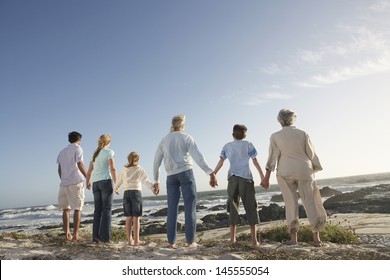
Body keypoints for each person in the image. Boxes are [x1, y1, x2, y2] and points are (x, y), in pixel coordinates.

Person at [261, 109, 327, 247]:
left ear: (279, 120)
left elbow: (272, 158)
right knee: (310, 202)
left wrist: (266, 178)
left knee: (290, 204)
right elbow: (311, 153)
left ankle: (293, 239)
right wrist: (316, 166)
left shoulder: (275, 136)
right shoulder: (303, 133)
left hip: (285, 172)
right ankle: (316, 239)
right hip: (304, 170)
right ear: (293, 119)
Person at [153, 114, 218, 248]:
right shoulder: (187, 137)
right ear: (182, 125)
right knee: (190, 207)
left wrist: (156, 180)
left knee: (172, 209)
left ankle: (171, 243)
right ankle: (190, 241)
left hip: (170, 177)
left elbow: (156, 162)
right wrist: (209, 172)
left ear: (173, 125)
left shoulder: (164, 140)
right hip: (186, 173)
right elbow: (198, 157)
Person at [213, 124, 266, 247]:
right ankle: (254, 241)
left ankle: (232, 239)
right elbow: (255, 161)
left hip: (232, 179)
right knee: (251, 207)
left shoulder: (227, 146)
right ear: (245, 135)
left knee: (233, 207)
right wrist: (263, 177)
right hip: (246, 178)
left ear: (233, 135)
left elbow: (221, 161)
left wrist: (214, 174)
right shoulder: (248, 144)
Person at [115, 151, 159, 246]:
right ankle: (136, 241)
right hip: (136, 193)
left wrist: (116, 188)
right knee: (136, 217)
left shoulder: (124, 169)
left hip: (126, 193)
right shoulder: (139, 169)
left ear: (128, 159)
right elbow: (145, 180)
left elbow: (119, 179)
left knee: (128, 217)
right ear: (137, 159)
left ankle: (129, 241)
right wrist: (153, 188)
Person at [56, 131, 87, 241]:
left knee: (66, 209)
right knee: (77, 208)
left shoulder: (62, 152)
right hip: (75, 181)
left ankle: (67, 234)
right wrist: (88, 177)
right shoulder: (78, 148)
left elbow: (59, 169)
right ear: (79, 140)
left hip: (64, 184)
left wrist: (64, 179)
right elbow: (80, 163)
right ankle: (76, 235)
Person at [86, 134, 117, 243]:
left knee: (97, 210)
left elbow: (89, 171)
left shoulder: (94, 154)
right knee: (107, 210)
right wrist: (117, 183)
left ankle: (95, 238)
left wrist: (87, 182)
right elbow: (112, 169)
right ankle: (105, 239)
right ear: (108, 142)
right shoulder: (109, 152)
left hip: (95, 184)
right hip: (105, 183)